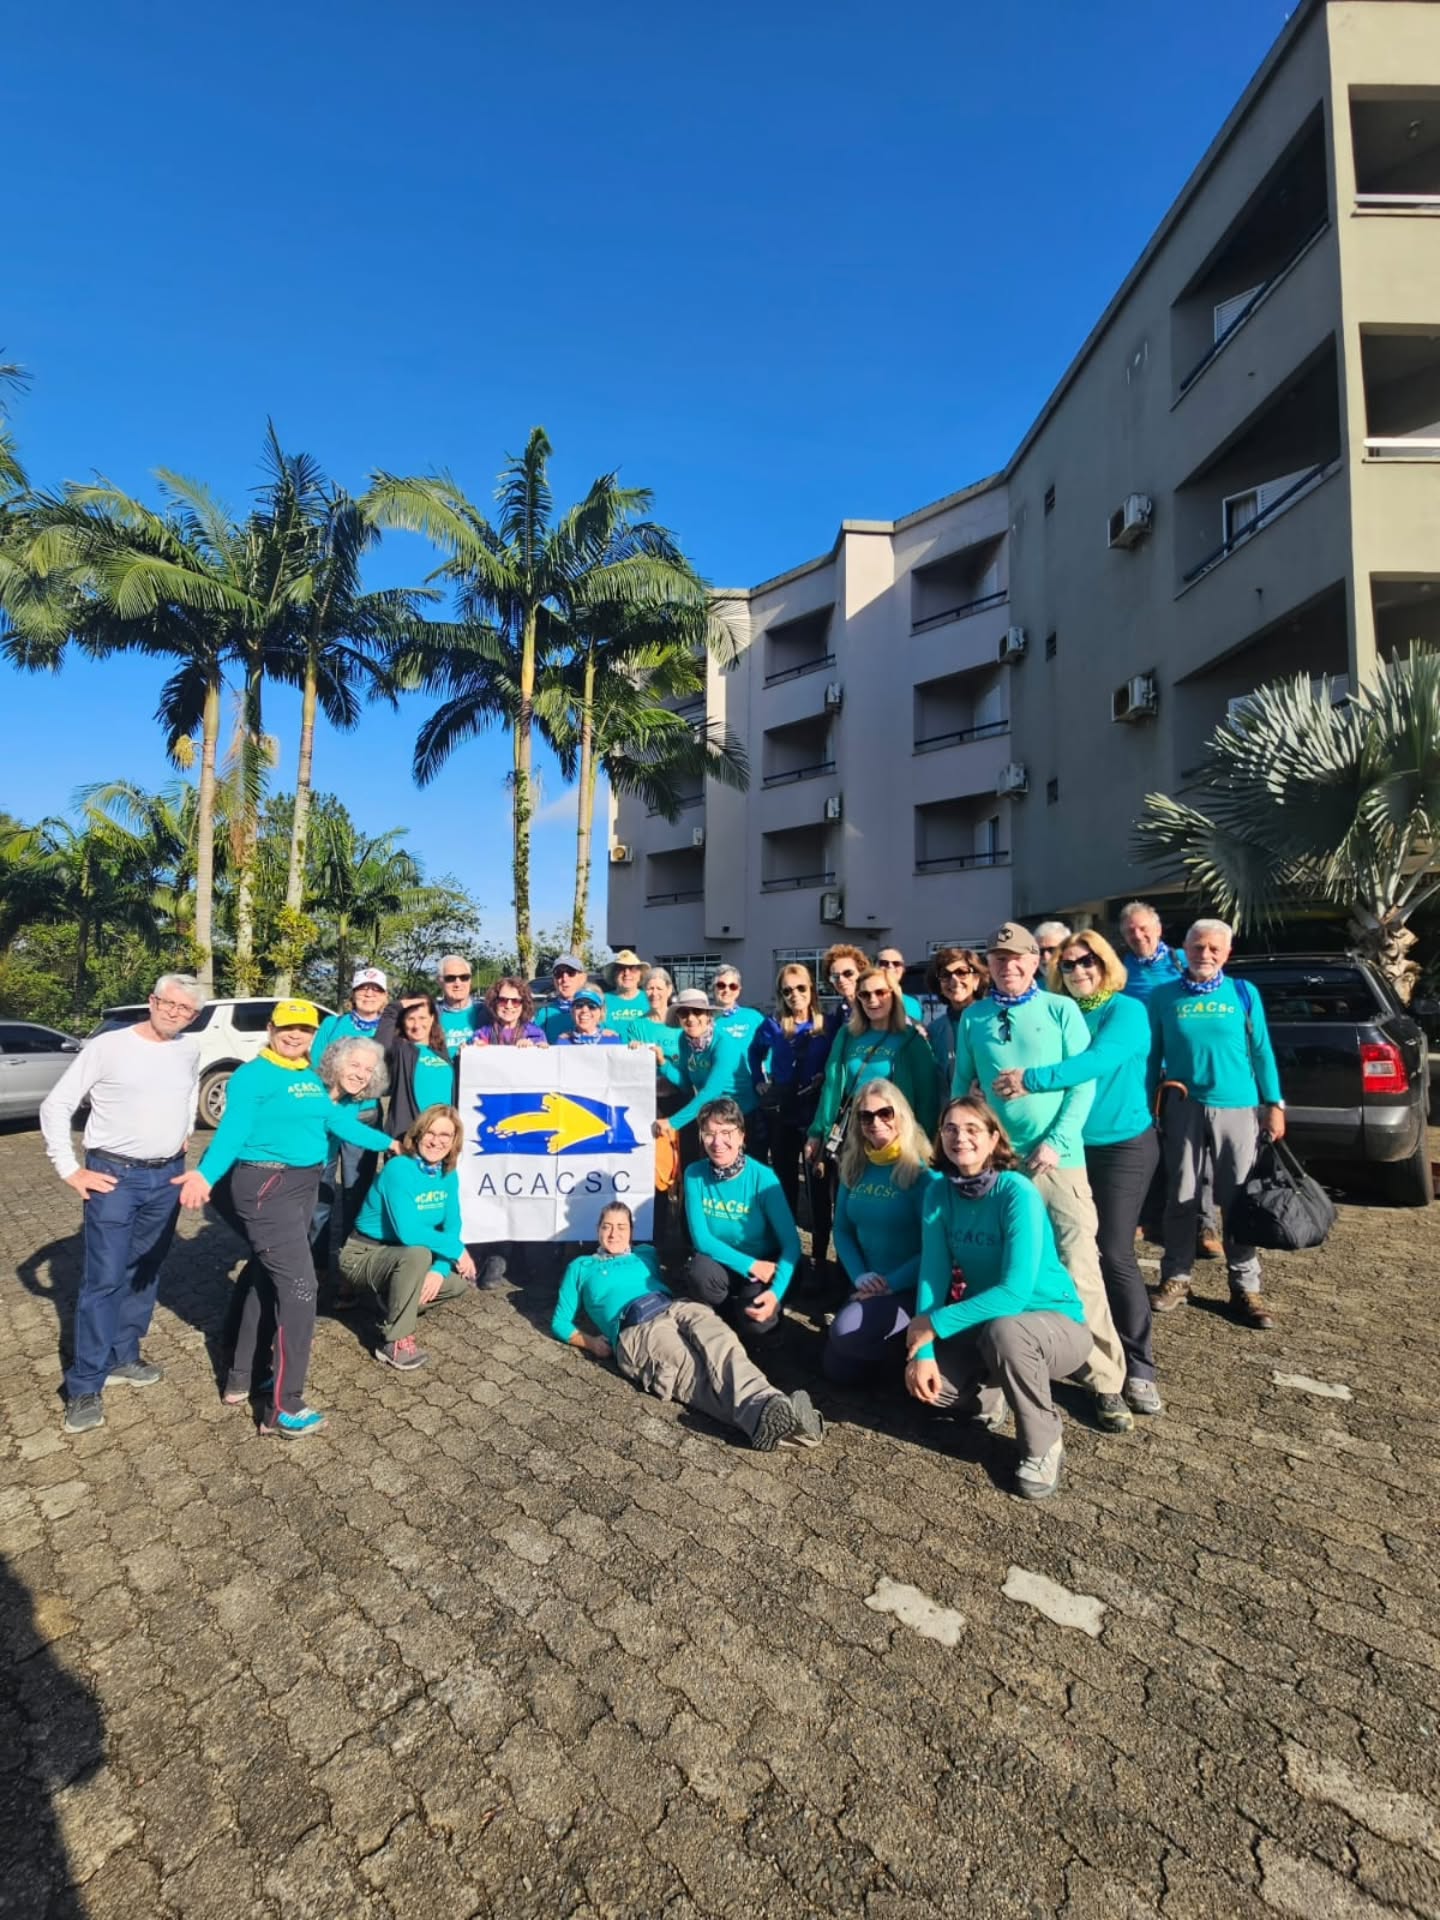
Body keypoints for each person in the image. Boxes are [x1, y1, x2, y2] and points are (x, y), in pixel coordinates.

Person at [177, 999, 392, 1436]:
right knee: (300, 1288)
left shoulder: (305, 1078)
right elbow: (233, 1130)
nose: (296, 1036)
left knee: (265, 1277)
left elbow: (339, 1123)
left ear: (314, 1038)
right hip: (267, 1186)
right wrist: (205, 1174)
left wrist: (392, 1144)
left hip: (301, 1188)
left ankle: (242, 1376)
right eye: (288, 1028)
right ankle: (283, 1406)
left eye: (304, 1030)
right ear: (272, 1029)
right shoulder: (253, 1075)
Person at [951, 922, 1132, 1433]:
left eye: (1017, 957)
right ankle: (1003, 1373)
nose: (1007, 965)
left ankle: (1105, 1380)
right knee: (1000, 1267)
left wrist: (1056, 1140)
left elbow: (1082, 1083)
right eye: (998, 958)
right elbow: (961, 1084)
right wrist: (969, 1118)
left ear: (1035, 962)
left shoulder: (1060, 1009)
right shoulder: (975, 1017)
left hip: (1058, 1160)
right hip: (999, 1165)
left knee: (1078, 1266)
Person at [991, 931, 1162, 1416]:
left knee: (1112, 1251)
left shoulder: (1125, 1011)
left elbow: (1094, 1063)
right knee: (1060, 1253)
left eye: (1088, 961)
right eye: (1067, 964)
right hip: (1065, 1147)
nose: (1078, 970)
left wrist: (1029, 1080)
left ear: (1105, 963)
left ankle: (1138, 1364)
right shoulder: (1056, 1010)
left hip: (1118, 1144)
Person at [39, 973, 204, 1435]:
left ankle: (123, 1356)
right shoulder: (108, 1046)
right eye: (169, 1004)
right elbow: (55, 1106)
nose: (175, 1013)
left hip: (167, 1176)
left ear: (194, 1016)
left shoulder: (189, 1049)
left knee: (144, 1271)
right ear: (152, 1001)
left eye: (186, 1010)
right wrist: (69, 1168)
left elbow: (190, 1090)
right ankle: (85, 1383)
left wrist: (186, 1127)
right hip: (115, 1176)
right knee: (105, 1280)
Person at [904, 1097, 1092, 1502]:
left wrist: (933, 1324)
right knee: (931, 1386)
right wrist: (923, 1350)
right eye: (950, 1128)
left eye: (972, 1129)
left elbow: (1014, 1293)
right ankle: (992, 1397)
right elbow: (933, 1275)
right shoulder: (938, 1193)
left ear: (994, 1139)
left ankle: (1043, 1442)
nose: (960, 1137)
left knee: (1007, 1333)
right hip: (988, 1324)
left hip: (1056, 1325)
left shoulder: (1016, 1192)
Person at [553, 1202, 823, 1450]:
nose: (614, 1234)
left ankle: (775, 1409)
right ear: (598, 1229)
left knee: (724, 1347)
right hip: (638, 1328)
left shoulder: (646, 1253)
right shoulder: (581, 1267)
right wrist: (591, 1343)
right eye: (607, 1226)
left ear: (632, 1232)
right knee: (695, 1373)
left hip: (677, 1307)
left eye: (621, 1227)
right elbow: (560, 1322)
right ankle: (788, 1422)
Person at [1147, 918, 1286, 1328]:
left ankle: (1245, 1286)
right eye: (1197, 947)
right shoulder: (1163, 996)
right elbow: (1152, 1056)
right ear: (1184, 949)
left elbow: (1262, 1051)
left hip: (1237, 1107)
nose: (1204, 955)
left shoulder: (1243, 992)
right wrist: (1147, 1105)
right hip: (1182, 1106)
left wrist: (1274, 1103)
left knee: (1237, 1198)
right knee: (1181, 1195)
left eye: (1213, 948)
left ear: (1227, 953)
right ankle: (1176, 1277)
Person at [1119, 901, 1221, 1262]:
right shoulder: (1119, 969)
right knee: (1146, 1142)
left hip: (1182, 1070)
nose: (1138, 935)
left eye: (1143, 928)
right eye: (1130, 930)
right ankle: (1149, 1218)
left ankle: (1205, 1224)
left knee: (1195, 1147)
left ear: (1159, 929)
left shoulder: (1183, 961)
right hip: (1139, 1070)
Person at [339, 1104, 476, 1370]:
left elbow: (452, 1225)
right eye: (430, 1133)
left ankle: (391, 1300)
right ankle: (394, 1341)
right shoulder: (399, 1169)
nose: (436, 1141)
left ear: (454, 1142)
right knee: (418, 1253)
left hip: (403, 1258)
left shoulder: (448, 1174)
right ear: (417, 1134)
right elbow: (409, 1232)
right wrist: (456, 1249)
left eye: (445, 1135)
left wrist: (439, 1270)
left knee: (456, 1283)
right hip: (363, 1254)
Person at [823, 1080, 934, 1387]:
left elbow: (934, 1250)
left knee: (845, 1333)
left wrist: (890, 1284)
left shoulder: (923, 1174)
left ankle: (907, 1349)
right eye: (866, 1116)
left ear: (901, 1116)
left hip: (908, 1288)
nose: (875, 1122)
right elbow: (842, 1230)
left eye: (885, 1113)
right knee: (837, 1371)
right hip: (866, 1285)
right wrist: (860, 1276)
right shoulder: (854, 1167)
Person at [681, 1098, 802, 1341]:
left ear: (741, 1136)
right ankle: (729, 1318)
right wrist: (749, 1265)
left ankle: (770, 1324)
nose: (717, 1142)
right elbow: (701, 1240)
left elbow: (792, 1244)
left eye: (726, 1132)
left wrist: (776, 1292)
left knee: (758, 1324)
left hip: (765, 1265)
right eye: (709, 1134)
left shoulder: (763, 1178)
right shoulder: (694, 1174)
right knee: (698, 1272)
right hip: (728, 1263)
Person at [749, 964, 835, 1285]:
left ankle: (820, 1259)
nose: (795, 995)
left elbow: (838, 1058)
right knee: (784, 1186)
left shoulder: (828, 1024)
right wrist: (759, 1080)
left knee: (818, 1190)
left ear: (811, 988)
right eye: (787, 990)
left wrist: (826, 1074)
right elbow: (754, 1053)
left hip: (814, 1112)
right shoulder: (773, 1025)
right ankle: (790, 1257)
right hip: (783, 1113)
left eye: (800, 988)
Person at [808, 967, 939, 1167]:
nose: (872, 999)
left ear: (894, 995)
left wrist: (924, 1143)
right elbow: (831, 1087)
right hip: (854, 1132)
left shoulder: (912, 1040)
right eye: (865, 994)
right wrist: (817, 1132)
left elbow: (927, 1098)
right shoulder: (847, 1035)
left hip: (896, 1134)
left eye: (880, 992)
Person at [311, 965, 390, 1255]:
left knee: (356, 1192)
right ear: (353, 994)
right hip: (328, 1118)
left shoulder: (390, 1030)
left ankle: (349, 1259)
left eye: (376, 990)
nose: (369, 994)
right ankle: (317, 1260)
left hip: (365, 1119)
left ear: (385, 997)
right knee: (321, 1192)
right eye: (363, 989)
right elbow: (315, 1066)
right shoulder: (332, 1026)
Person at [655, 989, 761, 1144]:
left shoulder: (724, 1044)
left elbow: (711, 1092)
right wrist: (663, 1063)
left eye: (697, 1011)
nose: (691, 1018)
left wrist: (672, 1123)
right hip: (712, 1115)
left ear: (708, 1016)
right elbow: (686, 1084)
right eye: (684, 1013)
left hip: (741, 1117)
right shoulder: (684, 1040)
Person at [377, 992, 456, 1141]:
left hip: (442, 1137)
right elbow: (378, 1048)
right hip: (409, 1135)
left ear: (432, 1018)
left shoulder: (441, 1051)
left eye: (422, 1018)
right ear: (402, 1022)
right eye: (410, 1019)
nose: (417, 1025)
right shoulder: (400, 1049)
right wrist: (394, 1008)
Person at [925, 947, 987, 1100]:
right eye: (945, 975)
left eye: (962, 972)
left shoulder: (992, 1020)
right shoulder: (934, 1031)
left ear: (976, 980)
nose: (954, 980)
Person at [436, 955, 490, 1054]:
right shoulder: (429, 1016)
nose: (458, 983)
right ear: (439, 981)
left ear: (470, 980)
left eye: (464, 977)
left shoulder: (488, 1013)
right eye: (450, 978)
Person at [476, 977, 547, 1046]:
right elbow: (473, 1043)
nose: (509, 1006)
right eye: (503, 1000)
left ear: (524, 1004)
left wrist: (534, 1046)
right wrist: (478, 1045)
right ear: (494, 1002)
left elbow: (542, 1049)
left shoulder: (535, 1033)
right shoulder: (484, 1033)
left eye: (515, 1001)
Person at [711, 967, 765, 1052]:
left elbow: (771, 1047)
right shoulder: (704, 1019)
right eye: (721, 985)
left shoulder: (754, 1017)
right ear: (713, 988)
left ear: (739, 990)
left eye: (733, 986)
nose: (727, 990)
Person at [821, 944, 870, 1038]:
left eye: (848, 973)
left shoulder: (875, 1006)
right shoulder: (839, 1013)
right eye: (835, 976)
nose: (841, 980)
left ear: (861, 973)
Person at [536, 955, 588, 1043]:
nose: (564, 979)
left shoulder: (594, 1010)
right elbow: (534, 1040)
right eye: (558, 973)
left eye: (571, 972)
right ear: (554, 980)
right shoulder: (544, 1014)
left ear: (582, 978)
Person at [604, 949, 651, 1037]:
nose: (627, 973)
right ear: (614, 974)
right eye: (621, 969)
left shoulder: (651, 999)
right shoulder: (602, 1000)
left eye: (632, 969)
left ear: (640, 975)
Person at [556, 986, 624, 1044]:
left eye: (592, 1006)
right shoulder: (563, 1041)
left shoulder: (612, 1040)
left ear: (601, 1011)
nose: (584, 1010)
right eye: (579, 1005)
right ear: (572, 1011)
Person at [876, 947, 924, 1024]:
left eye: (896, 963)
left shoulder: (913, 1004)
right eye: (884, 963)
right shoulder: (866, 999)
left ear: (903, 969)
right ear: (874, 967)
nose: (890, 966)